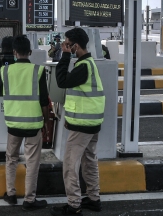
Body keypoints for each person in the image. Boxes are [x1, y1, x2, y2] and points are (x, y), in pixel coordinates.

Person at [0, 35, 49, 211]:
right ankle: (29, 200)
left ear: (15, 53)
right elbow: (44, 102)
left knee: (11, 159)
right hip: (33, 125)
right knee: (32, 162)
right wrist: (45, 123)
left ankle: (11, 194)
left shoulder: (6, 71)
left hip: (13, 125)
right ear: (30, 52)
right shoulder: (38, 70)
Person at [51, 28, 105, 215]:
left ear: (75, 45)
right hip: (91, 123)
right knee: (89, 160)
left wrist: (64, 56)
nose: (66, 46)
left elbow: (61, 80)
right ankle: (93, 199)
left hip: (83, 126)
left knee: (69, 164)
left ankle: (74, 205)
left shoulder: (83, 66)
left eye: (68, 44)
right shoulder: (88, 64)